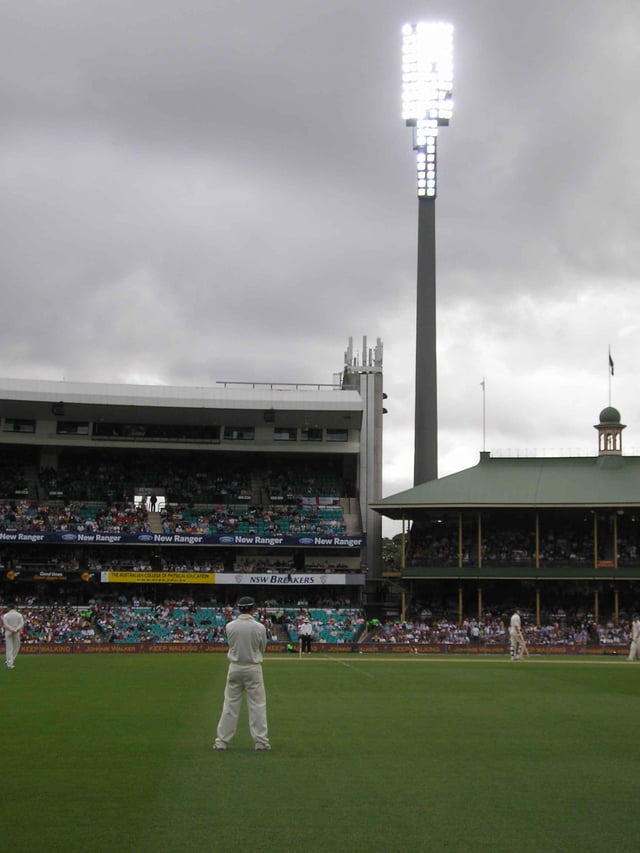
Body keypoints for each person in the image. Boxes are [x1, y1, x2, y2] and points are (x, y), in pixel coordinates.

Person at [214, 596, 270, 752]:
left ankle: (221, 741)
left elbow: (232, 645)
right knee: (257, 705)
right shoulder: (259, 627)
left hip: (235, 667)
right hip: (253, 667)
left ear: (239, 609)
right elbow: (262, 648)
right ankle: (261, 742)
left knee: (230, 705)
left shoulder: (230, 626)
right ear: (253, 609)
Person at [3, 603, 25, 670]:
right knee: (16, 647)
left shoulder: (6, 615)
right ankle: (9, 663)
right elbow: (21, 624)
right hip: (16, 632)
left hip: (9, 632)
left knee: (9, 648)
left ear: (9, 608)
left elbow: (5, 624)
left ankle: (9, 662)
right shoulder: (19, 615)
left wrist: (12, 629)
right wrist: (16, 629)